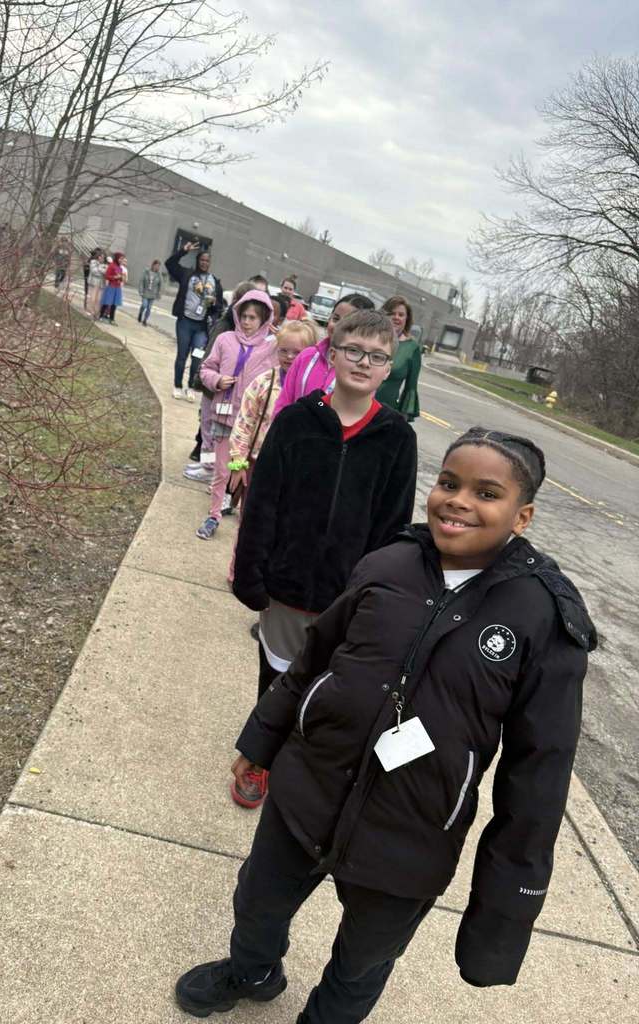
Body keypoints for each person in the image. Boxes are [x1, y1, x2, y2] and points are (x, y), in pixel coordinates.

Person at [175, 425, 596, 1024]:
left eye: (485, 493)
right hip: (309, 787)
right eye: (449, 483)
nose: (458, 500)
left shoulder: (541, 617)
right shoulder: (389, 563)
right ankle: (253, 971)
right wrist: (261, 740)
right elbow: (313, 660)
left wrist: (506, 909)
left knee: (364, 960)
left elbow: (540, 774)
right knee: (258, 902)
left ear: (521, 516)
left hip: (412, 832)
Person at [230, 309, 417, 807]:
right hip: (287, 585)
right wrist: (250, 572)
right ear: (331, 354)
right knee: (277, 678)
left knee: (329, 688)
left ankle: (302, 763)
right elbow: (262, 503)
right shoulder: (295, 423)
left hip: (347, 594)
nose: (363, 362)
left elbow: (393, 526)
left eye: (377, 356)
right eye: (353, 350)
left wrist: (379, 595)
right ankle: (259, 758)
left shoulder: (397, 438)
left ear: (388, 369)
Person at [225, 320, 316, 582]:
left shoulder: (315, 390)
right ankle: (238, 572)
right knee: (249, 523)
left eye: (297, 352)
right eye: (283, 351)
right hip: (258, 465)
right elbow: (243, 424)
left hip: (294, 471)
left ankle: (269, 574)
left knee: (283, 527)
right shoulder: (264, 382)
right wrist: (237, 464)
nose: (289, 357)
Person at [195, 290, 277, 541]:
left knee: (237, 469)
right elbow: (205, 368)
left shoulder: (272, 346)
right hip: (223, 416)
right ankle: (213, 515)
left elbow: (295, 349)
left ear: (264, 319)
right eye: (243, 315)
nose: (247, 321)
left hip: (249, 426)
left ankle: (237, 509)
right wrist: (217, 381)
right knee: (221, 471)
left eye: (253, 317)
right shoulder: (225, 340)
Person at [184, 280, 253, 483]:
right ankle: (207, 463)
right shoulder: (225, 324)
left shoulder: (235, 332)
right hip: (210, 385)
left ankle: (210, 467)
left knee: (213, 430)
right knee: (206, 426)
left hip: (220, 391)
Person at [272, 293, 374, 416]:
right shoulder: (307, 356)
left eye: (348, 323)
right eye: (336, 319)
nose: (338, 326)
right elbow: (284, 401)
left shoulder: (362, 371)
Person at [166, 241, 224, 402]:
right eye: (202, 260)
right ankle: (177, 386)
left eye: (207, 261)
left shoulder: (214, 282)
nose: (204, 263)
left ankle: (191, 386)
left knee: (197, 357)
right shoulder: (187, 275)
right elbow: (169, 264)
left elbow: (220, 306)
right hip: (185, 322)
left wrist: (214, 304)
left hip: (201, 327)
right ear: (197, 261)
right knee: (182, 356)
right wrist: (183, 251)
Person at [376, 295, 422, 421]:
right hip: (356, 405)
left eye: (401, 315)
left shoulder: (412, 348)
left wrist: (402, 420)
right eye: (392, 313)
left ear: (407, 319)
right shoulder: (371, 338)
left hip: (385, 415)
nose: (396, 317)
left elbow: (410, 388)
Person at [99, 253, 127, 323]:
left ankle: (112, 319)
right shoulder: (111, 266)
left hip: (117, 288)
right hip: (111, 287)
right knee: (107, 302)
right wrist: (114, 277)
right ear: (117, 258)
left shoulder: (120, 268)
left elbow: (121, 278)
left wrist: (121, 278)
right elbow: (107, 276)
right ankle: (101, 316)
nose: (121, 260)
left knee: (114, 304)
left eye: (122, 259)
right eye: (120, 259)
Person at [138, 259, 163, 325]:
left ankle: (145, 320)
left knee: (149, 308)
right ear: (153, 265)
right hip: (145, 292)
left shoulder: (159, 274)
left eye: (158, 266)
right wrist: (141, 291)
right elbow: (141, 281)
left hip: (153, 294)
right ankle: (140, 313)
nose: (157, 267)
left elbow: (161, 284)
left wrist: (159, 293)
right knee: (144, 305)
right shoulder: (146, 272)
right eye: (156, 265)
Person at [86, 248, 107, 316]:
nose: (102, 258)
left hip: (101, 284)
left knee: (99, 299)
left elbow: (106, 272)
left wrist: (100, 269)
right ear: (98, 256)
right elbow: (94, 271)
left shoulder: (105, 265)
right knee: (92, 297)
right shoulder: (93, 262)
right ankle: (90, 310)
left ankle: (96, 312)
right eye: (101, 256)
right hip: (93, 282)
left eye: (103, 257)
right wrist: (101, 269)